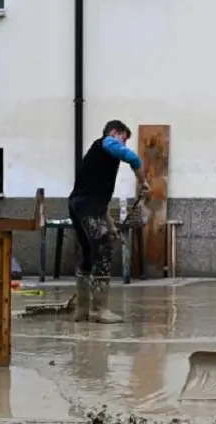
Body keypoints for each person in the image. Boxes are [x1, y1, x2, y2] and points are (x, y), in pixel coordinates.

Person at [69, 120, 150, 324]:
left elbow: (99, 203)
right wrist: (144, 181)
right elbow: (132, 158)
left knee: (88, 252)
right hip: (88, 204)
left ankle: (82, 309)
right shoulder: (107, 142)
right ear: (115, 132)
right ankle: (98, 309)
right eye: (124, 138)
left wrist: (111, 225)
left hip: (79, 203)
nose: (124, 144)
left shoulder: (99, 156)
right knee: (103, 249)